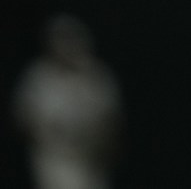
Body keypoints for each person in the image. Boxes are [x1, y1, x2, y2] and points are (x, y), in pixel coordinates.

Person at [12, 14, 123, 189]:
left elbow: (111, 118)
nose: (68, 46)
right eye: (62, 39)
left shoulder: (97, 75)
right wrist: (47, 135)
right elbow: (23, 116)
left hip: (90, 157)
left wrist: (102, 145)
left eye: (72, 38)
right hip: (54, 156)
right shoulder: (38, 76)